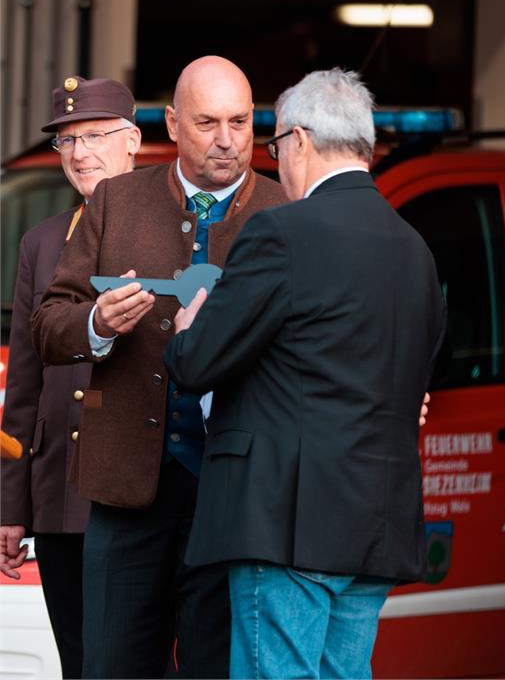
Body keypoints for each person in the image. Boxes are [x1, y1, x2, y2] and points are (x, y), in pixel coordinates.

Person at [164, 67, 447, 680]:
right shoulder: (415, 251)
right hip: (375, 524)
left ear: (299, 141)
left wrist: (190, 326)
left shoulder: (283, 232)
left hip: (287, 523)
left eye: (275, 147)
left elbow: (197, 364)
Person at [31, 56, 288, 680]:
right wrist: (97, 324)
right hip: (125, 491)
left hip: (237, 497)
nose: (227, 139)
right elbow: (49, 322)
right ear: (172, 123)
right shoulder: (118, 201)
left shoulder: (286, 211)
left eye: (240, 121)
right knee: (113, 666)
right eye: (207, 122)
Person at [0, 76, 141, 679]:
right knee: (79, 663)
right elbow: (25, 383)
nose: (80, 153)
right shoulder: (41, 241)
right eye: (67, 141)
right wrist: (11, 505)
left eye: (96, 136)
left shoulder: (177, 227)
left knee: (140, 661)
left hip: (139, 490)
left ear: (133, 140)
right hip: (59, 491)